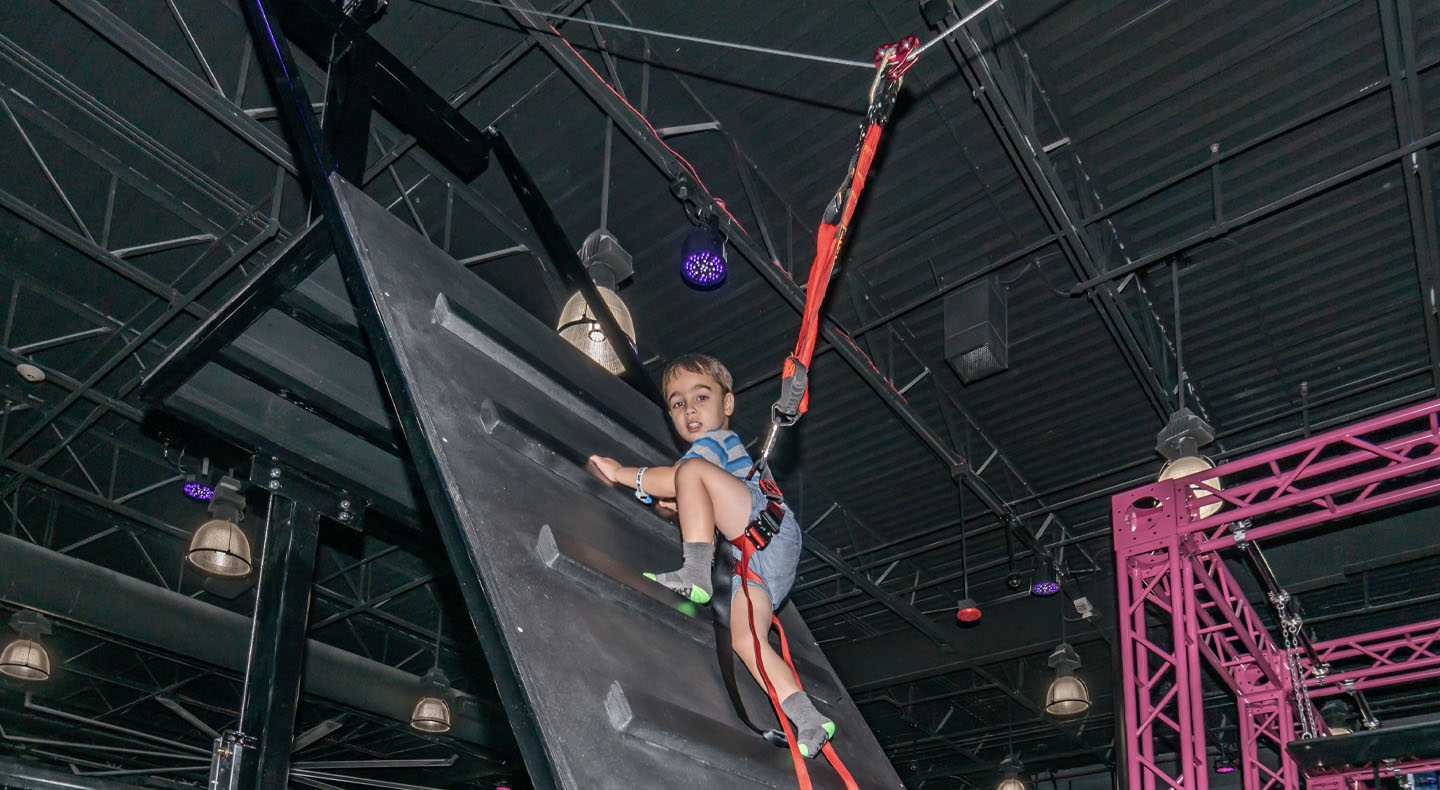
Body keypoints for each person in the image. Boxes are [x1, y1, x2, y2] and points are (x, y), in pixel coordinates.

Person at [588, 353, 835, 758]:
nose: (689, 410)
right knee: (745, 638)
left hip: (764, 527)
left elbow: (681, 476)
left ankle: (695, 573)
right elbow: (692, 489)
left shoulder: (715, 443)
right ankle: (808, 718)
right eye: (677, 403)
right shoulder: (709, 461)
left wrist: (622, 473)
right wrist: (681, 501)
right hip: (753, 562)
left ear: (728, 405)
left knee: (689, 473)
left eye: (701, 397)